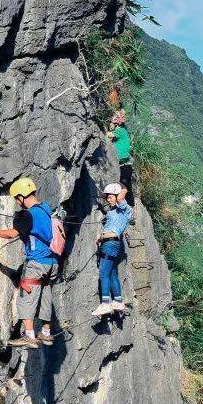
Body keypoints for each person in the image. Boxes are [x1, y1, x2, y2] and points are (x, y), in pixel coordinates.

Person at [0, 177, 58, 348]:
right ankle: (46, 333)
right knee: (45, 295)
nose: (17, 203)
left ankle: (29, 336)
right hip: (52, 262)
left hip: (37, 262)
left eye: (16, 199)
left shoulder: (29, 214)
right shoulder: (46, 209)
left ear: (21, 196)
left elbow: (13, 234)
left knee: (26, 297)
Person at [92, 182, 133, 317]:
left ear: (116, 196)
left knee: (104, 273)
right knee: (112, 273)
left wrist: (123, 188)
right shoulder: (113, 211)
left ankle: (105, 303)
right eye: (107, 198)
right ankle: (118, 301)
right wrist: (101, 236)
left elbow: (122, 197)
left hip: (111, 244)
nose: (108, 200)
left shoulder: (124, 209)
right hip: (109, 243)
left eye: (110, 197)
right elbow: (109, 227)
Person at [107, 110, 134, 207]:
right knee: (124, 187)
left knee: (125, 187)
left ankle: (129, 209)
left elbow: (108, 135)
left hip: (125, 165)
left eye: (113, 123)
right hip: (122, 165)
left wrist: (110, 127)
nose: (111, 125)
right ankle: (127, 208)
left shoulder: (121, 131)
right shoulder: (120, 133)